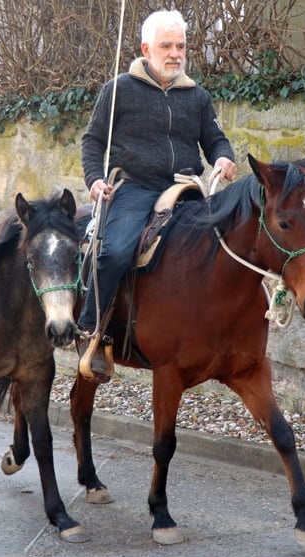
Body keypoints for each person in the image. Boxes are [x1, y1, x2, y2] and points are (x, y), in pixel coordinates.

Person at [77, 9, 238, 379]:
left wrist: (224, 158)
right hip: (134, 187)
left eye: (180, 46)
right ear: (146, 49)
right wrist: (94, 179)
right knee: (116, 251)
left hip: (185, 189)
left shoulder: (197, 96)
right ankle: (93, 328)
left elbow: (215, 140)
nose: (175, 53)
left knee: (224, 244)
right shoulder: (118, 90)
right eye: (166, 46)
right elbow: (93, 142)